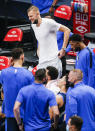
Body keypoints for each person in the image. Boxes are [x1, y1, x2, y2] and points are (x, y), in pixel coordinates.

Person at [27, 5, 71, 78]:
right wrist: (39, 51)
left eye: (31, 16)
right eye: (28, 16)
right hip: (42, 61)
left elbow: (67, 30)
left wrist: (63, 49)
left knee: (53, 86)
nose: (29, 18)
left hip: (53, 61)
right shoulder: (33, 25)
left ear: (37, 14)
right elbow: (40, 40)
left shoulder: (48, 22)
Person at [0, 48, 34, 131]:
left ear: (11, 58)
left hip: (9, 112)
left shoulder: (3, 73)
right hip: (24, 113)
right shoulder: (29, 75)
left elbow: (3, 88)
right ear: (22, 57)